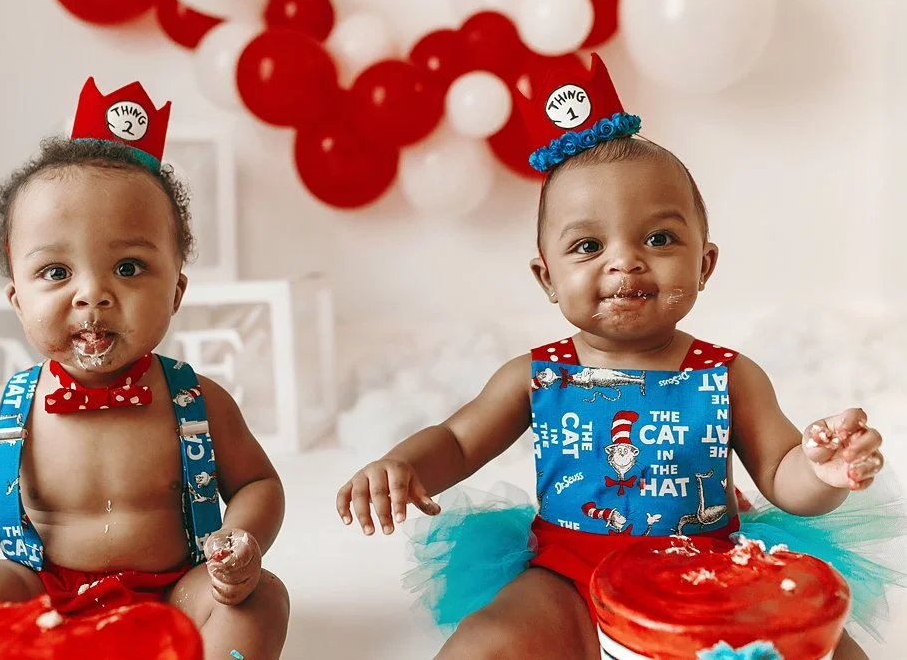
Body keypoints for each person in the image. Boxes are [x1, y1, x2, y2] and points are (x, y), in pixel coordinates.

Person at [336, 54, 895, 659]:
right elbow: (457, 441)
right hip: (569, 576)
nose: (624, 261)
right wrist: (402, 464)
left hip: (707, 578)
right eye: (587, 245)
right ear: (546, 278)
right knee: (487, 643)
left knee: (831, 647)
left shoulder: (728, 376)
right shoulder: (536, 375)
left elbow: (783, 475)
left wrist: (822, 473)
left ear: (704, 265)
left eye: (659, 238)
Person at [0, 78, 290, 660]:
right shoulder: (4, 411)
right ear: (17, 298)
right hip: (43, 592)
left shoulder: (197, 401)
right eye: (55, 272)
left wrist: (240, 542)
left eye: (127, 267)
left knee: (261, 601)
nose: (93, 294)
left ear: (176, 291)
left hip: (174, 591)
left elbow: (257, 483)